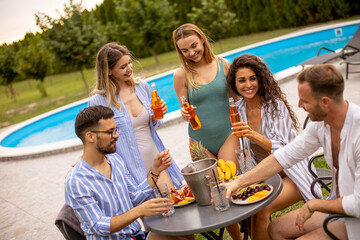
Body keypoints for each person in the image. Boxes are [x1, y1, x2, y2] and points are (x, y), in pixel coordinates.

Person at [226, 64, 360, 239]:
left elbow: (358, 204)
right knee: (275, 228)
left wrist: (314, 205)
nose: (299, 105)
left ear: (325, 102)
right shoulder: (319, 125)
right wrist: (238, 182)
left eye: (304, 101)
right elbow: (283, 156)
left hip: (355, 217)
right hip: (337, 207)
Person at [227, 54, 321, 240]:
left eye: (253, 78)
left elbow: (287, 150)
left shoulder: (275, 106)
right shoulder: (237, 111)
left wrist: (253, 135)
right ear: (235, 84)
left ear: (260, 79)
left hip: (292, 174)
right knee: (248, 210)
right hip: (264, 175)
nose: (248, 85)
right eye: (242, 80)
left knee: (262, 209)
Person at [65, 105, 177, 239]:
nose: (117, 135)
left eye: (116, 130)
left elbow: (134, 197)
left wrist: (155, 170)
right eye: (110, 131)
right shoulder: (76, 181)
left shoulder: (115, 160)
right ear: (90, 136)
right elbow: (98, 225)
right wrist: (139, 211)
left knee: (183, 233)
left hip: (136, 236)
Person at [172, 23, 242, 240]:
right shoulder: (181, 75)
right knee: (216, 195)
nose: (191, 52)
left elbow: (237, 101)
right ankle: (238, 238)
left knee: (230, 185)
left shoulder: (224, 65)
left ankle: (250, 225)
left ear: (202, 39)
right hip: (199, 141)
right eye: (185, 50)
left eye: (194, 46)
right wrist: (185, 114)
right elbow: (184, 107)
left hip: (228, 134)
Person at [89, 42, 184, 190]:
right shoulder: (98, 101)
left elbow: (150, 125)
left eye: (129, 63)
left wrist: (157, 116)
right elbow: (96, 140)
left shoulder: (142, 87)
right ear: (108, 71)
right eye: (122, 67)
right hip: (129, 169)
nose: (129, 69)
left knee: (172, 201)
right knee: (150, 210)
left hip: (155, 158)